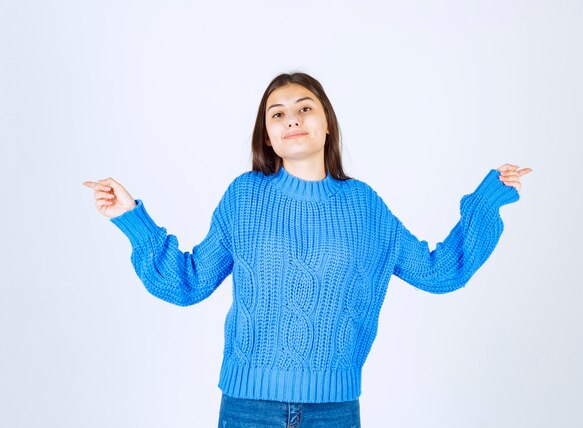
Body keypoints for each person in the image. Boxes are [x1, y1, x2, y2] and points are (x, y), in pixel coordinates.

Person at [83, 72, 532, 427]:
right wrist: (131, 218)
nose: (291, 119)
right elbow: (187, 284)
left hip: (334, 411)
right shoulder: (245, 197)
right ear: (267, 135)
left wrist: (487, 201)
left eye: (304, 108)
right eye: (276, 115)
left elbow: (439, 272)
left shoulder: (365, 206)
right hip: (247, 408)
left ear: (327, 123)